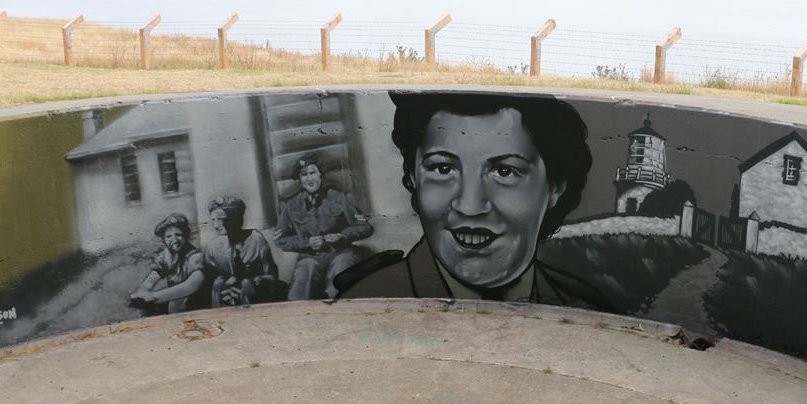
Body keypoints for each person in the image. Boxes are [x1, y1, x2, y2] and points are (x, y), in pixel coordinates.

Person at [335, 92, 612, 311]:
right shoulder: (367, 306)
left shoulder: (581, 305)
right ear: (413, 177)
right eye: (443, 169)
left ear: (555, 187)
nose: (470, 206)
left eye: (504, 171)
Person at [275, 152, 373, 299]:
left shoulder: (338, 197)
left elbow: (364, 227)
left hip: (340, 253)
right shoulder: (291, 205)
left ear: (320, 174)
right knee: (299, 291)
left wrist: (342, 235)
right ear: (299, 179)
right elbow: (280, 239)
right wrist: (306, 243)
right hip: (309, 257)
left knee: (341, 280)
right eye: (304, 174)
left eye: (313, 172)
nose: (309, 178)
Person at [203, 195, 284, 306]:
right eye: (213, 220)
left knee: (246, 283)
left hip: (256, 295)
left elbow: (271, 276)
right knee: (218, 283)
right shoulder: (213, 247)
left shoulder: (256, 239)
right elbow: (209, 282)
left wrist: (253, 282)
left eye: (221, 219)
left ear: (236, 219)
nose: (216, 225)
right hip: (226, 298)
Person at [130, 213, 208, 314]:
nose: (174, 240)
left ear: (186, 236)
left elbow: (191, 285)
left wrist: (154, 297)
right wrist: (142, 292)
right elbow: (151, 279)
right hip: (178, 301)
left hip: (198, 302)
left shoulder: (195, 256)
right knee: (145, 310)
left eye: (178, 235)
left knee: (175, 303)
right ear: (164, 240)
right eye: (168, 237)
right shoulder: (166, 256)